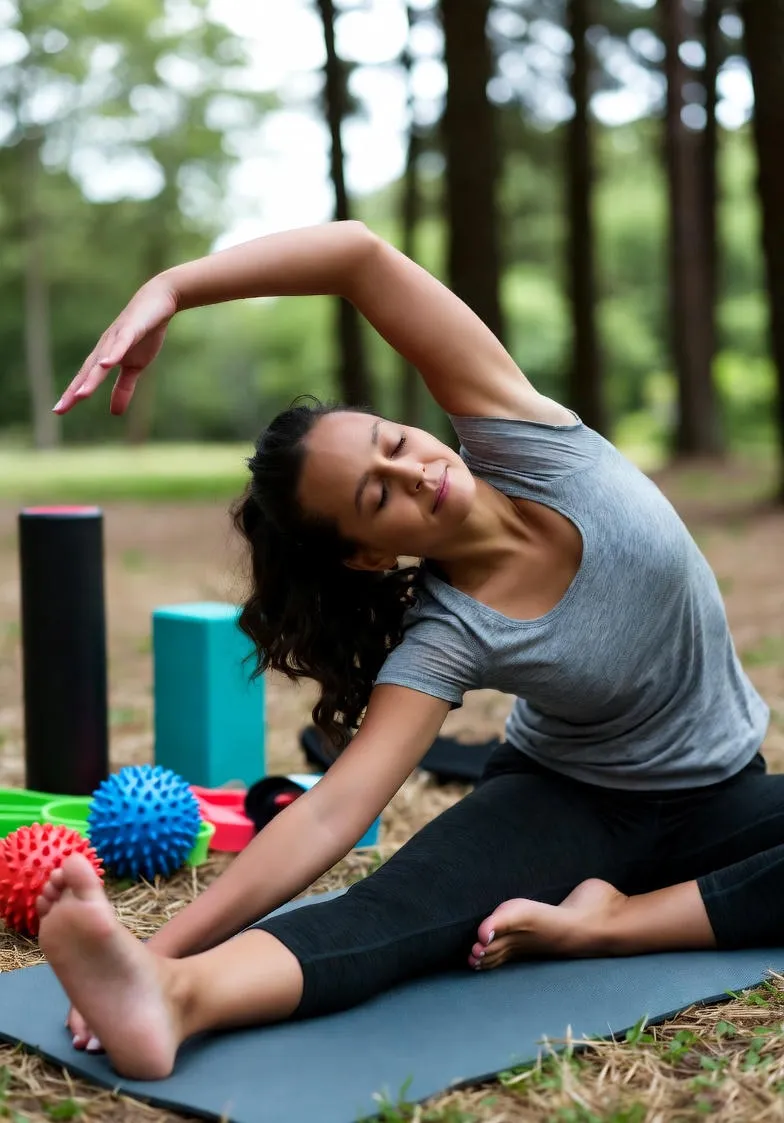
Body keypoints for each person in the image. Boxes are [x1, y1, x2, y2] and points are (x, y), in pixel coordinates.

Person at [38, 221, 779, 1082]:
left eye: (394, 442)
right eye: (376, 495)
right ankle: (176, 998)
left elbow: (358, 257)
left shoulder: (526, 435)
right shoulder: (447, 631)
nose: (416, 473)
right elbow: (329, 812)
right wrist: (153, 953)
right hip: (565, 801)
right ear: (366, 553)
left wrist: (173, 285)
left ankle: (612, 921)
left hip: (725, 790)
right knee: (393, 915)